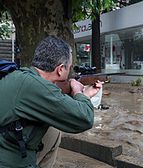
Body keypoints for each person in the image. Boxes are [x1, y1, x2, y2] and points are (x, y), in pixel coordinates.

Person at [0, 36, 103, 168]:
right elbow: (85, 119)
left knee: (53, 133)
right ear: (60, 69)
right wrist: (78, 91)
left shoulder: (23, 77)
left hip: (8, 142)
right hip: (7, 159)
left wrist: (86, 95)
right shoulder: (35, 87)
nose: (70, 71)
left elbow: (60, 106)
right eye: (69, 67)